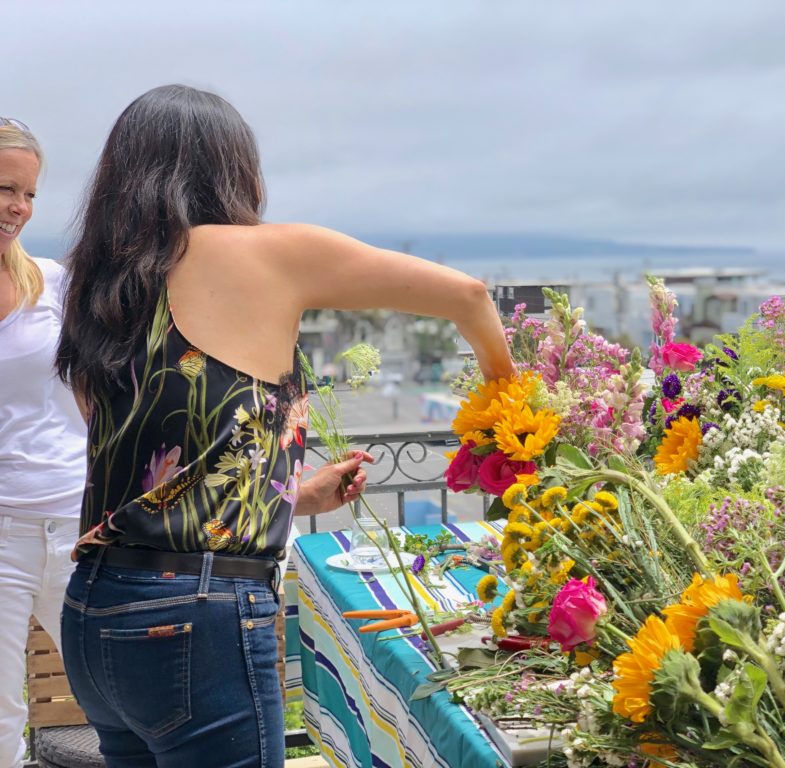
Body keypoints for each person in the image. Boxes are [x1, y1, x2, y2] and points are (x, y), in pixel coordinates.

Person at [56, 85, 514, 768]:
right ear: (231, 168)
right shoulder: (266, 254)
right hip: (196, 615)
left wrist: (293, 497)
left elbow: (157, 475)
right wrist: (507, 402)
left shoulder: (101, 288)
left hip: (96, 612)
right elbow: (469, 297)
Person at [0, 119, 88, 767]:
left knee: (114, 690)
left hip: (76, 520)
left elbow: (98, 393)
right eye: (4, 188)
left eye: (28, 194)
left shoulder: (53, 283)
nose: (18, 208)